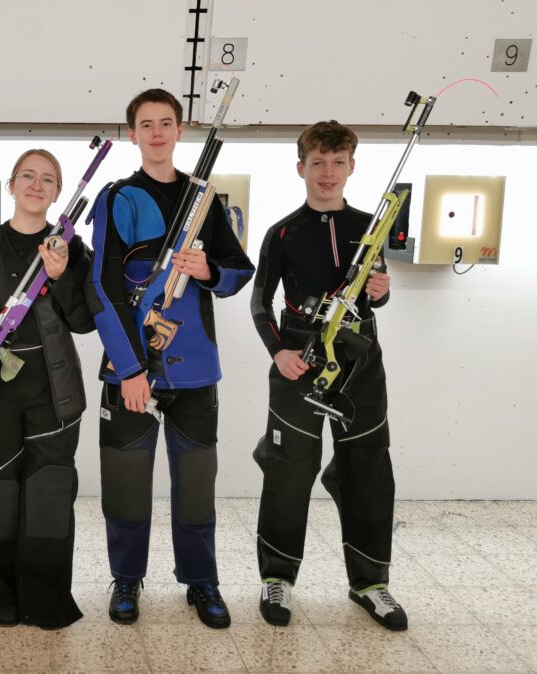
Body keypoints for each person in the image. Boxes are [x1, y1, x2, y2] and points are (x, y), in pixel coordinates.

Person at [88, 89, 254, 628]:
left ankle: (201, 581)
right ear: (133, 133)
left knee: (197, 484)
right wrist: (131, 369)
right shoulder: (117, 198)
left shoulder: (206, 199)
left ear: (180, 131)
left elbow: (239, 269)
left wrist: (209, 271)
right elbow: (102, 287)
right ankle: (126, 578)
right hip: (129, 369)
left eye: (166, 123)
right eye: (146, 124)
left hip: (196, 370)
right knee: (126, 484)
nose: (156, 133)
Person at [249, 120, 407, 631]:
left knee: (368, 469)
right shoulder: (283, 232)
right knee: (287, 469)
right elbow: (259, 302)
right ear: (301, 167)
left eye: (338, 162)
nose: (327, 172)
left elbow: (374, 294)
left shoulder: (370, 227)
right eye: (318, 162)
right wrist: (278, 351)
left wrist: (382, 290)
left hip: (360, 361)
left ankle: (370, 583)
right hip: (299, 359)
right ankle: (276, 578)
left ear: (351, 167)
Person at [0, 149, 93, 629]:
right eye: (27, 175)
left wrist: (60, 276)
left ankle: (44, 600)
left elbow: (83, 321)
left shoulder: (72, 249)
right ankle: (0, 596)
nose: (36, 184)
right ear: (10, 185)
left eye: (47, 179)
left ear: (57, 192)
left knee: (49, 492)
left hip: (54, 389)